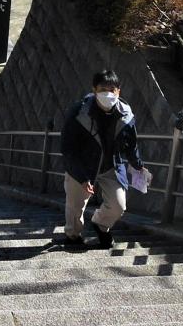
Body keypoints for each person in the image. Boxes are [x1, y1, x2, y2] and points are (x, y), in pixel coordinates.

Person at [59, 69, 145, 249]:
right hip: (82, 166)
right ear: (94, 90)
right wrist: (82, 177)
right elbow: (68, 149)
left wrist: (138, 165)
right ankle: (73, 235)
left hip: (111, 166)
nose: (108, 94)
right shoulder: (79, 112)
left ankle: (100, 224)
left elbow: (131, 143)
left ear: (119, 91)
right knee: (75, 206)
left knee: (118, 206)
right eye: (102, 89)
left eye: (112, 89)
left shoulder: (126, 114)